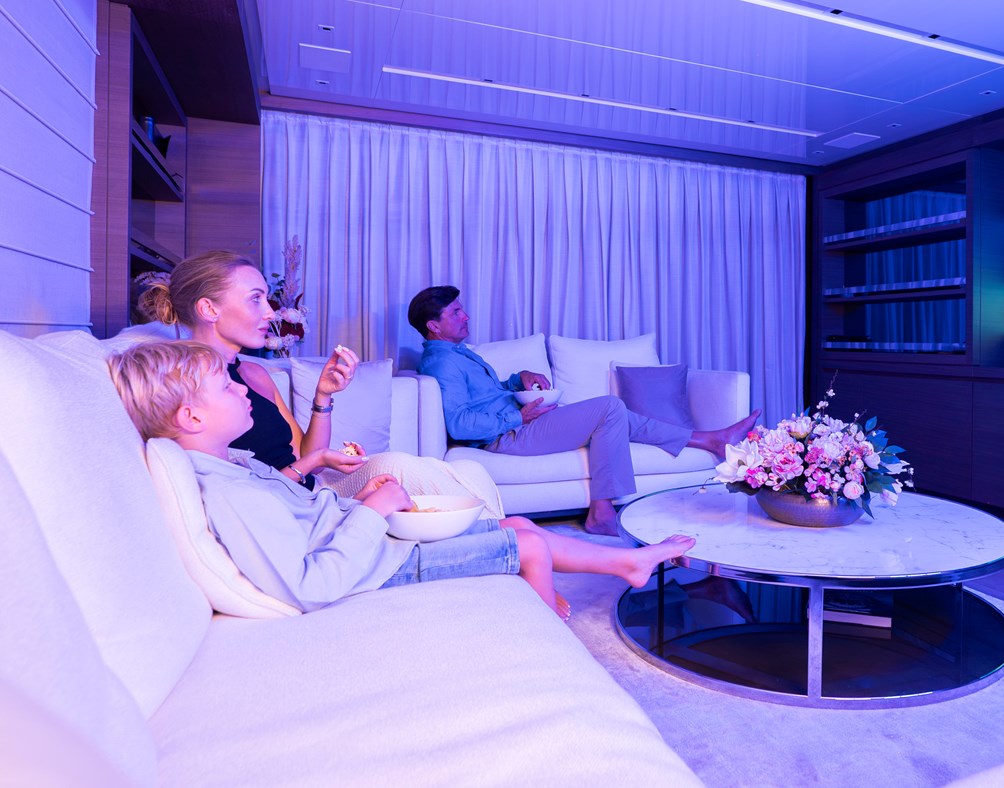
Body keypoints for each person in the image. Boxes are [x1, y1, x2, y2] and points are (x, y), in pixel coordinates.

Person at [105, 340, 697, 619]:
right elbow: (311, 584)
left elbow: (297, 507)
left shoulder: (231, 465)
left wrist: (361, 500)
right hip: (374, 565)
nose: (243, 391)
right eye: (228, 387)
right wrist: (372, 509)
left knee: (514, 521)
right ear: (193, 418)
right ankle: (552, 633)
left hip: (365, 539)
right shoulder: (228, 492)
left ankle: (625, 565)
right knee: (529, 544)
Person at [137, 251, 496, 510]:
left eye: (267, 299)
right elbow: (235, 490)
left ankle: (501, 540)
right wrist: (316, 468)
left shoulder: (254, 374)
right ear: (209, 309)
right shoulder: (185, 384)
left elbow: (307, 457)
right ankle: (504, 541)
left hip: (311, 490)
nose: (270, 313)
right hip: (286, 507)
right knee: (402, 467)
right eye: (255, 300)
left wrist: (323, 396)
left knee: (469, 469)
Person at [407, 285, 760, 536]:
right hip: (508, 435)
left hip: (516, 425)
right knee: (609, 408)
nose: (466, 316)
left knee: (616, 416)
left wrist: (517, 379)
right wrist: (519, 416)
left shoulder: (457, 353)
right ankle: (601, 510)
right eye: (456, 312)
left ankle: (708, 440)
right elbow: (460, 423)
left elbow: (485, 396)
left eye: (462, 309)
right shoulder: (441, 363)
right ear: (434, 326)